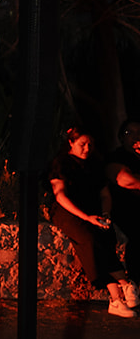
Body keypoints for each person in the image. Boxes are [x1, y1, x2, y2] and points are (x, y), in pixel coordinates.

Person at [51, 126, 133, 317]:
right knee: (89, 240)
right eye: (82, 144)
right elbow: (60, 195)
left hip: (93, 210)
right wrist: (86, 217)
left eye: (90, 144)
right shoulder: (61, 163)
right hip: (67, 211)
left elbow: (104, 194)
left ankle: (121, 294)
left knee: (106, 237)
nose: (87, 149)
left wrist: (105, 213)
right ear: (71, 143)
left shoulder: (95, 164)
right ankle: (120, 291)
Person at [107, 120, 140, 289]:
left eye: (139, 132)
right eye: (129, 133)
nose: (136, 137)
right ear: (121, 138)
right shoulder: (117, 156)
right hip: (125, 207)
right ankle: (134, 282)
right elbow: (126, 180)